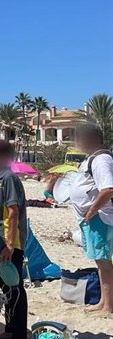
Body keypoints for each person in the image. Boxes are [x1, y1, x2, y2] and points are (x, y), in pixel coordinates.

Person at [0, 140, 30, 339]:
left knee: (15, 287)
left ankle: (19, 338)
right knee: (6, 288)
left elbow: (13, 211)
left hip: (9, 243)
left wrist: (9, 244)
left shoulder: (9, 178)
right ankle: (11, 328)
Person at [69, 124, 113, 313]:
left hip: (99, 218)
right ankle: (104, 302)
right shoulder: (94, 158)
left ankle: (108, 305)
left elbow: (108, 189)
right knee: (100, 260)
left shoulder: (101, 159)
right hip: (94, 217)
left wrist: (91, 211)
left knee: (103, 261)